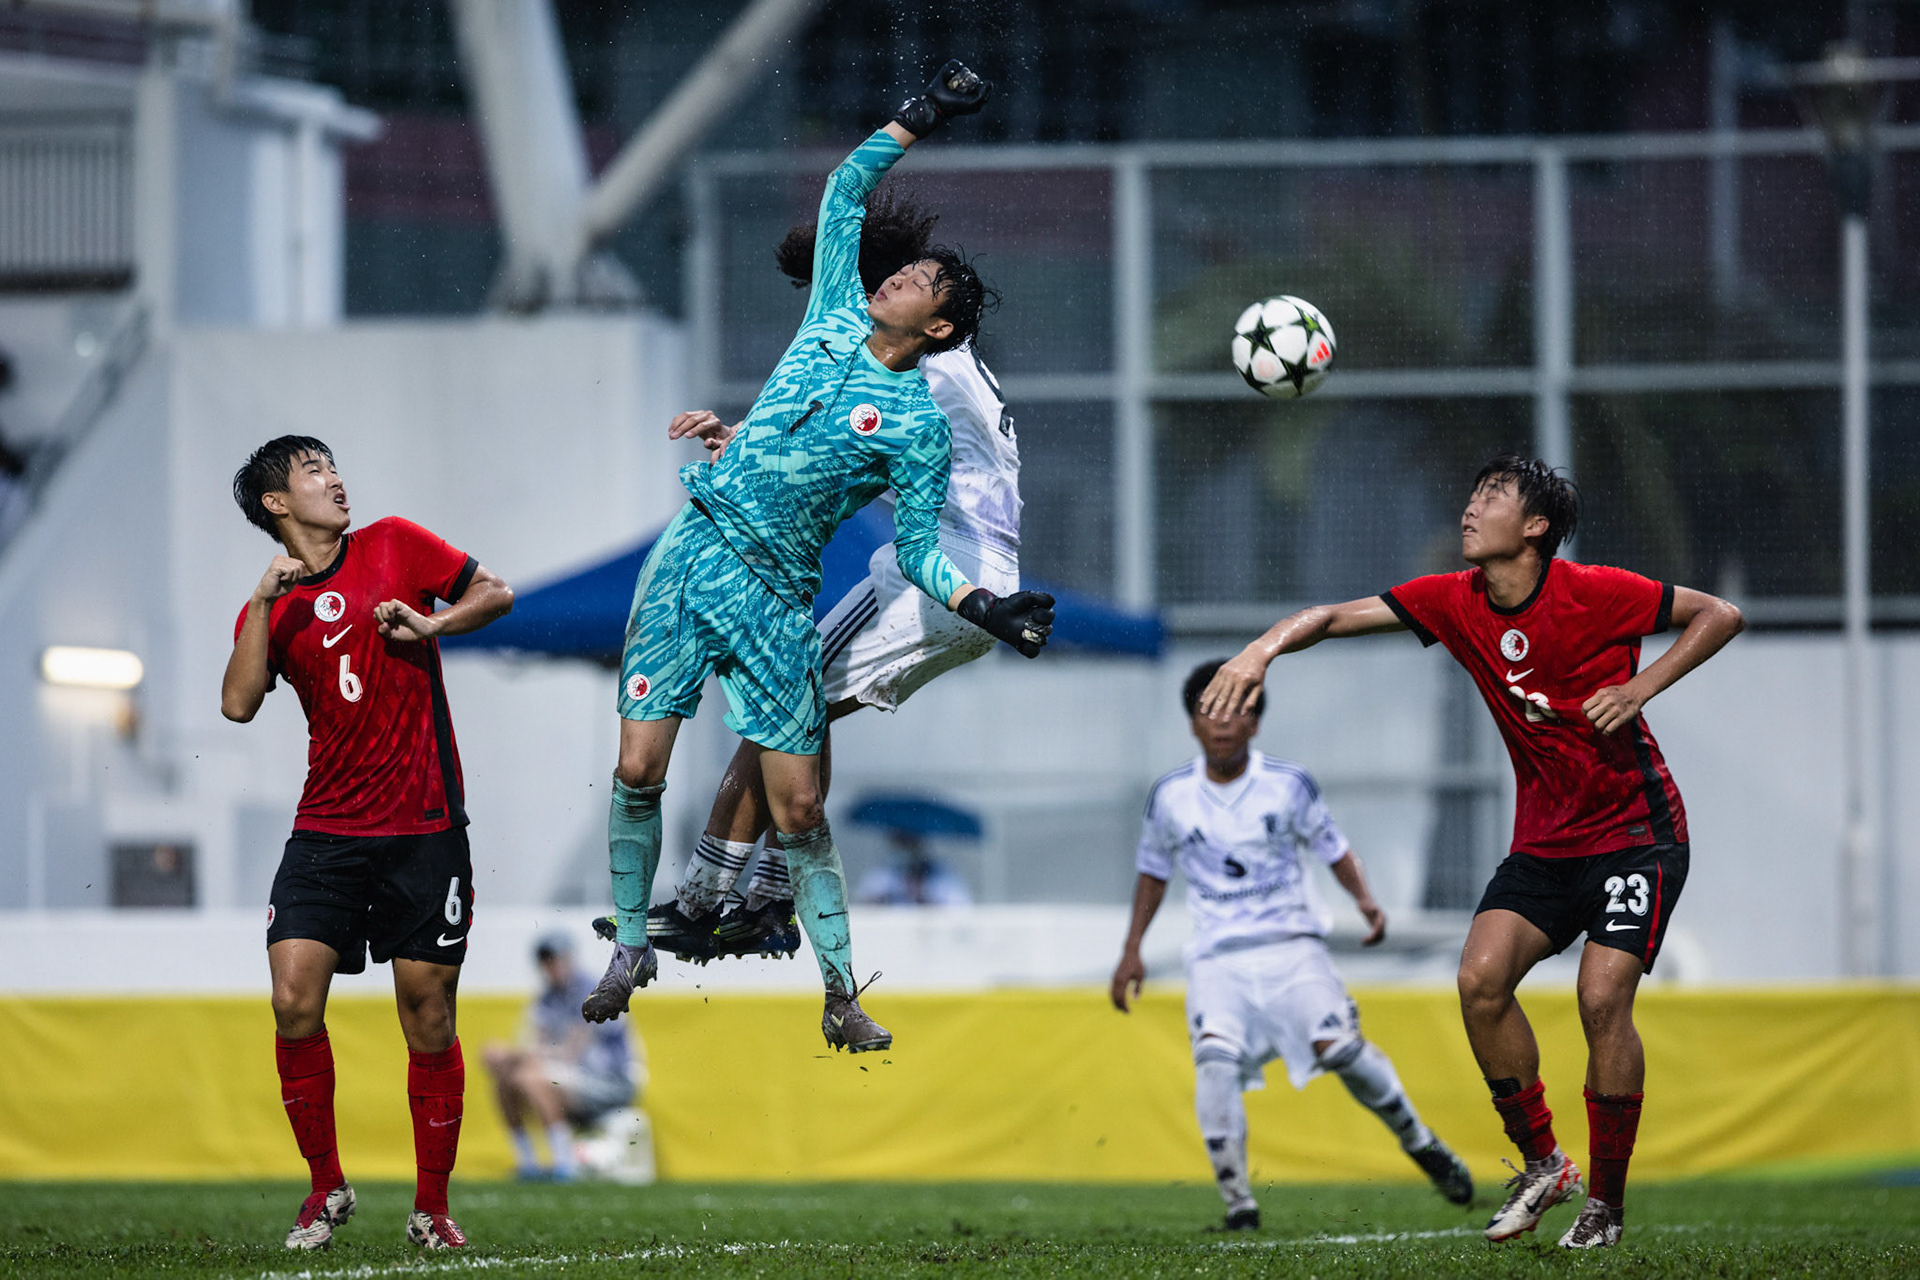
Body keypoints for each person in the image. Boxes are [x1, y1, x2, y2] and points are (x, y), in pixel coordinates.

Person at [581, 59, 1054, 1055]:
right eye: (895, 270)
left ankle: (734, 902)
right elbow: (842, 224)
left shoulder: (927, 397)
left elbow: (903, 509)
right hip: (766, 557)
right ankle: (730, 900)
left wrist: (985, 605)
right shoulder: (861, 334)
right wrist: (920, 113)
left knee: (790, 740)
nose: (889, 279)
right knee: (780, 728)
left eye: (912, 279)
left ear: (938, 323)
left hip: (949, 580)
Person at [1199, 454, 1744, 1249]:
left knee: (1601, 999)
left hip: (1638, 834)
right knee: (1480, 983)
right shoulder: (1455, 600)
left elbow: (1719, 614)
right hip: (1547, 842)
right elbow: (1333, 617)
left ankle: (1606, 1206)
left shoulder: (1595, 591)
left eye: (1492, 497)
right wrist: (1260, 650)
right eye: (1472, 494)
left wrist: (1640, 687)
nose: (1470, 508)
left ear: (1535, 526)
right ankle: (1545, 1165)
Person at [635, 187, 1020, 964]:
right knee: (803, 713)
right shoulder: (943, 365)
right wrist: (746, 440)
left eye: (871, 284)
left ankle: (709, 903)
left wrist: (748, 445)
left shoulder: (919, 368)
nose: (853, 302)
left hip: (942, 578)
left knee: (780, 716)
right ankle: (768, 900)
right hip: (960, 577)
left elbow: (840, 435)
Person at [221, 436, 514, 1252]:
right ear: (277, 504)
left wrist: (433, 623)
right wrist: (260, 602)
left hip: (425, 829)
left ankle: (431, 1208)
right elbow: (238, 704)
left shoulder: (393, 544)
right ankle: (325, 1188)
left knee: (428, 1016)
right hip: (327, 831)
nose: (336, 479)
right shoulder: (272, 607)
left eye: (333, 465)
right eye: (314, 470)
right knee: (292, 1002)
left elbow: (496, 593)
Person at [1110, 660, 1474, 1232]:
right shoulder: (1171, 796)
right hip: (1218, 958)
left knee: (1340, 1049)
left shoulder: (1288, 784)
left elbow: (1334, 848)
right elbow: (1153, 872)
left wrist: (1366, 901)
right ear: (1193, 724)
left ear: (1255, 723)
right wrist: (1132, 950)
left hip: (1292, 947)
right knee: (1214, 1063)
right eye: (1209, 711)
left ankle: (1419, 1140)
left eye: (1235, 710)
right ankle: (1239, 1204)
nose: (1222, 723)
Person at [484, 934, 641, 1182]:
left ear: (568, 958)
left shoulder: (593, 990)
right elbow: (536, 1044)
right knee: (505, 1080)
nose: (550, 967)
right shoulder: (547, 999)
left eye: (554, 959)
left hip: (611, 1082)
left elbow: (572, 1050)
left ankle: (564, 1164)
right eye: (545, 962)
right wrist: (510, 1058)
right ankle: (528, 1163)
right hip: (577, 1077)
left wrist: (517, 1055)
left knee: (531, 1077)